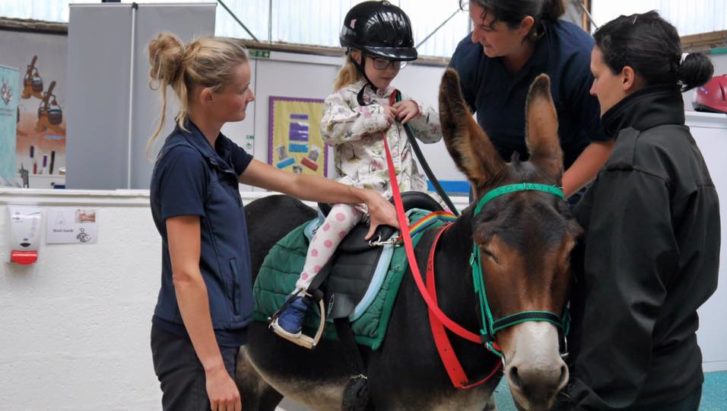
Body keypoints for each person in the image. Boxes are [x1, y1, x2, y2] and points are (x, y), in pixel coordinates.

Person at [146, 33, 398, 411]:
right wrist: (214, 370)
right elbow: (185, 275)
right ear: (208, 97)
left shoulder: (216, 149)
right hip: (193, 345)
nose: (250, 96)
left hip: (226, 333)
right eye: (243, 89)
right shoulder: (184, 160)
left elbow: (294, 181)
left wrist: (364, 196)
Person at [560, 11, 719, 410]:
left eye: (597, 76)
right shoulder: (677, 146)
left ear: (626, 77)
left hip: (632, 394)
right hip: (675, 375)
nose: (592, 90)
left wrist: (589, 401)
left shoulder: (635, 162)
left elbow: (620, 309)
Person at [270, 0, 442, 342]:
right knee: (336, 223)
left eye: (396, 62)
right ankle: (300, 296)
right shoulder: (342, 99)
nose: (390, 69)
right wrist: (378, 115)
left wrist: (419, 110)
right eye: (381, 61)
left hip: (407, 195)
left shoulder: (400, 97)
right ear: (357, 55)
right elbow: (331, 130)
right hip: (359, 196)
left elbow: (434, 133)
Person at [450, 0, 613, 198]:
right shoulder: (471, 55)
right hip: (495, 183)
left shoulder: (576, 57)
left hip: (567, 184)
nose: (475, 37)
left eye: (485, 27)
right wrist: (482, 193)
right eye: (473, 23)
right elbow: (458, 127)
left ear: (524, 26)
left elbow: (605, 142)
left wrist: (552, 195)